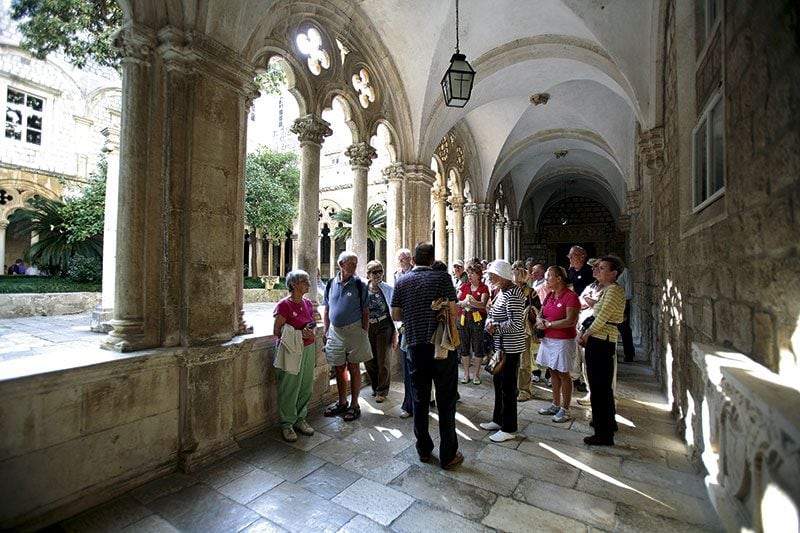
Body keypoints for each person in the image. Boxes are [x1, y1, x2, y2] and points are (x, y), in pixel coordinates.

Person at [391, 242, 462, 469]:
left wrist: (415, 312)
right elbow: (453, 310)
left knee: (420, 397)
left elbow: (396, 314)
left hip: (415, 346)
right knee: (445, 398)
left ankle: (423, 449)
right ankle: (448, 454)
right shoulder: (442, 278)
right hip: (440, 346)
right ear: (432, 259)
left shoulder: (402, 281)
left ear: (414, 260)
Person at [579, 256, 626, 446]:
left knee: (600, 387)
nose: (598, 270)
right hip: (600, 340)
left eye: (603, 268)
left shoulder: (613, 291)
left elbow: (602, 317)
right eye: (597, 267)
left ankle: (603, 433)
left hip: (601, 341)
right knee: (601, 386)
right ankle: (606, 421)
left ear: (614, 273)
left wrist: (586, 334)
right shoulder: (608, 290)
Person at [479, 260, 526, 442]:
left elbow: (515, 324)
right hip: (501, 347)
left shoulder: (513, 294)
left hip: (510, 348)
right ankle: (498, 420)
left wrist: (495, 327)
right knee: (499, 385)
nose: (489, 278)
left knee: (507, 387)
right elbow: (493, 313)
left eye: (492, 275)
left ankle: (509, 427)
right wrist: (490, 322)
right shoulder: (503, 292)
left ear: (502, 275)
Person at [322, 251, 371, 422]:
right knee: (339, 367)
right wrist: (326, 330)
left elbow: (366, 311)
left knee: (354, 367)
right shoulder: (330, 283)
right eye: (351, 263)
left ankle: (354, 404)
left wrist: (363, 332)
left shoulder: (359, 284)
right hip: (335, 332)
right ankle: (342, 402)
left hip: (354, 331)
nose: (354, 266)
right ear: (341, 264)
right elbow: (327, 309)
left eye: (355, 263)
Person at [272, 270, 317, 442]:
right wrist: (299, 334)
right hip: (291, 350)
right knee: (290, 387)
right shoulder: (284, 305)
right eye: (305, 281)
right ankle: (287, 424)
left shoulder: (306, 303)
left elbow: (311, 324)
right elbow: (277, 331)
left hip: (308, 348)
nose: (309, 284)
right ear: (293, 285)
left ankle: (300, 419)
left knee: (306, 385)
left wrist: (310, 332)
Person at [535, 266, 580, 423]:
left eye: (549, 277)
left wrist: (549, 325)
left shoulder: (571, 297)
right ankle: (555, 403)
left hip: (563, 341)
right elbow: (541, 313)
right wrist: (540, 321)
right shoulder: (550, 295)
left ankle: (565, 409)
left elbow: (571, 320)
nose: (546, 280)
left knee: (563, 373)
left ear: (559, 278)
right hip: (548, 340)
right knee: (552, 371)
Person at [364, 260, 396, 403]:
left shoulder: (388, 289)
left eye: (379, 271)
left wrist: (396, 332)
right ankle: (375, 386)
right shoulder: (362, 290)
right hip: (367, 327)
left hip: (384, 325)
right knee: (369, 359)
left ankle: (382, 390)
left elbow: (394, 310)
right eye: (374, 272)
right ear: (368, 274)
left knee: (383, 359)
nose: (377, 275)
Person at [456, 264, 489, 384]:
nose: (469, 275)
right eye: (469, 273)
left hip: (477, 320)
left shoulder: (484, 288)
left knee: (478, 346)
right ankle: (466, 374)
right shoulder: (464, 286)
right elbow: (457, 300)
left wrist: (469, 302)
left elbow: (482, 304)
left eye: (472, 273)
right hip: (464, 318)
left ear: (479, 275)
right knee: (464, 346)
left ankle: (476, 374)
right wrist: (464, 303)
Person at [393, 248, 414, 419]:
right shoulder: (397, 275)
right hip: (404, 328)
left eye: (404, 260)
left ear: (411, 259)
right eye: (400, 260)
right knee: (407, 370)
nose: (402, 263)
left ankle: (418, 404)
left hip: (414, 328)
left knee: (415, 370)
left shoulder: (414, 276)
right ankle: (409, 404)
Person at [616, 264, 635, 362]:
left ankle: (629, 353)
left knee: (624, 328)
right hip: (614, 302)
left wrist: (625, 302)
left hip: (622, 302)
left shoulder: (624, 271)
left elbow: (628, 288)